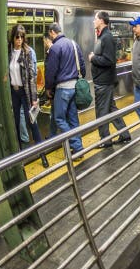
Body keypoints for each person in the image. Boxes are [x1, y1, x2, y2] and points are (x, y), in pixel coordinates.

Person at [8, 24, 49, 167]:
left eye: (22, 37)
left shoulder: (28, 52)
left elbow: (32, 76)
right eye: (17, 37)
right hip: (14, 91)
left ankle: (42, 154)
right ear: (12, 37)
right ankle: (19, 155)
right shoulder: (9, 52)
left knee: (32, 123)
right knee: (15, 124)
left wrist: (34, 99)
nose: (19, 40)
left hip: (26, 93)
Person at [44, 22, 86, 161]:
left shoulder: (55, 48)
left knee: (59, 118)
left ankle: (77, 146)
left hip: (62, 89)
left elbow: (51, 72)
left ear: (51, 32)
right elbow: (82, 64)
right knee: (73, 118)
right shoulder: (73, 44)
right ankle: (77, 148)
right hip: (74, 86)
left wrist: (49, 88)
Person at [89, 11, 130, 149]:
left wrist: (93, 58)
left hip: (104, 81)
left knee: (101, 111)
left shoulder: (107, 37)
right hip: (104, 80)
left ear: (101, 21)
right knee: (111, 109)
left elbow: (109, 60)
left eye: (95, 19)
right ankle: (124, 134)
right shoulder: (103, 36)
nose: (93, 21)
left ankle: (105, 140)